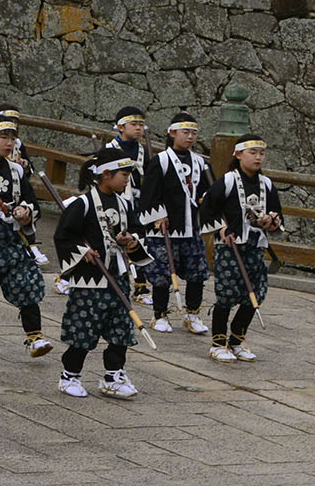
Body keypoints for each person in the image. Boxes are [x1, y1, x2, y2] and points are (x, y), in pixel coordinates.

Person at [52, 146, 146, 398]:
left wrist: (132, 241)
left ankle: (113, 375)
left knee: (120, 329)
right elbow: (63, 237)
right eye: (124, 175)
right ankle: (69, 376)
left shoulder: (125, 205)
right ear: (106, 174)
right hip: (90, 280)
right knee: (83, 329)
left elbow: (138, 231)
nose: (127, 180)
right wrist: (82, 251)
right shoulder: (82, 204)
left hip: (118, 275)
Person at [0, 117, 53, 360]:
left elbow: (32, 203)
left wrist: (26, 213)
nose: (10, 143)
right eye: (3, 137)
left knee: (27, 284)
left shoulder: (16, 170)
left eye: (12, 137)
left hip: (12, 239)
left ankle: (35, 337)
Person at [204, 134, 282, 362]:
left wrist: (272, 220)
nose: (258, 157)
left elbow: (277, 213)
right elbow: (208, 208)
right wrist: (221, 230)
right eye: (252, 153)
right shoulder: (227, 181)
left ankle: (237, 338)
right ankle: (218, 341)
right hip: (230, 246)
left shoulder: (266, 184)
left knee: (255, 293)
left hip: (255, 246)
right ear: (238, 155)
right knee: (227, 293)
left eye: (262, 153)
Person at [137, 113, 212, 335]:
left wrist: (206, 201)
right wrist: (157, 216)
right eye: (185, 132)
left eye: (194, 133)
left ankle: (193, 314)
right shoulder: (160, 161)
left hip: (191, 227)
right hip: (164, 228)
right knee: (162, 274)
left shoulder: (201, 162)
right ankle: (159, 314)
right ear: (172, 133)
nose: (190, 137)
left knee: (197, 272)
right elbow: (148, 194)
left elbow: (209, 191)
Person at [104, 108, 154, 305]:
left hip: (137, 201)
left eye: (141, 125)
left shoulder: (143, 151)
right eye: (134, 125)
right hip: (113, 201)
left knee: (137, 238)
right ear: (121, 126)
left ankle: (141, 285)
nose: (139, 128)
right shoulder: (110, 148)